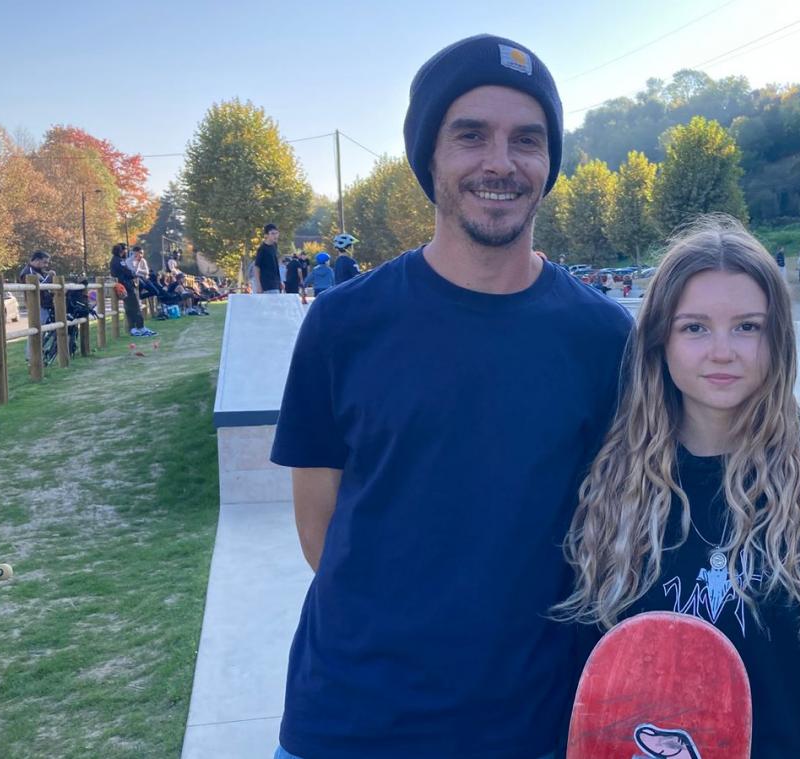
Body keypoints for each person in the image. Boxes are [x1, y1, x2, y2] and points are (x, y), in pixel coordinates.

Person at [269, 35, 632, 759]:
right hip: (349, 723)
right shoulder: (342, 325)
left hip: (533, 728)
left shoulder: (603, 338)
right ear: (428, 155)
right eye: (471, 135)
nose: (501, 161)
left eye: (527, 140)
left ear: (549, 164)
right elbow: (320, 531)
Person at [555, 217, 800, 758]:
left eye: (747, 327)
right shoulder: (610, 486)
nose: (723, 351)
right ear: (660, 339)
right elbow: (583, 678)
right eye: (695, 327)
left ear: (776, 339)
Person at [18, 250, 58, 361]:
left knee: (41, 330)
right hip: (36, 304)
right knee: (36, 330)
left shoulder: (38, 271)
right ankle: (30, 356)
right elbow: (38, 287)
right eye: (44, 262)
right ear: (36, 260)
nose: (46, 265)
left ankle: (37, 353)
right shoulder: (28, 272)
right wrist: (49, 277)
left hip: (43, 304)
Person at [109, 243, 155, 337]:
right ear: (121, 251)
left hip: (123, 286)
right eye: (126, 250)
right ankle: (141, 328)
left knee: (129, 309)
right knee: (135, 307)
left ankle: (133, 329)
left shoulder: (115, 260)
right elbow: (128, 272)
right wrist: (134, 274)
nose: (127, 252)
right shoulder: (119, 261)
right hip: (126, 286)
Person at [254, 224, 282, 294]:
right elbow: (256, 267)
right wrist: (258, 285)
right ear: (266, 235)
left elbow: (275, 266)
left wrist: (280, 281)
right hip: (266, 285)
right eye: (272, 233)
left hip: (275, 283)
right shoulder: (262, 249)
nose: (275, 236)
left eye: (276, 233)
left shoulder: (274, 246)